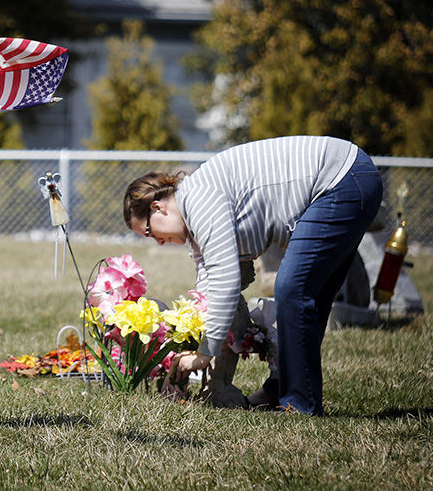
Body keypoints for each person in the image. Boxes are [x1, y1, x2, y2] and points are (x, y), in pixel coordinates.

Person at [123, 136, 382, 415]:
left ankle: (299, 405)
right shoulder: (195, 220)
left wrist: (203, 354)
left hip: (341, 179)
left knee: (292, 290)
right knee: (310, 298)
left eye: (149, 232)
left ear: (157, 207)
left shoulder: (197, 199)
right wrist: (191, 339)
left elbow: (225, 276)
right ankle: (280, 388)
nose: (158, 242)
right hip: (350, 176)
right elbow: (209, 289)